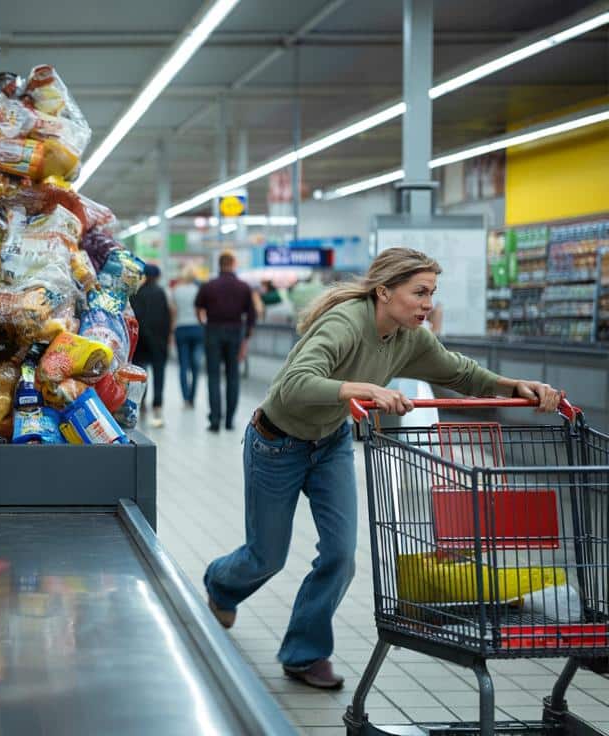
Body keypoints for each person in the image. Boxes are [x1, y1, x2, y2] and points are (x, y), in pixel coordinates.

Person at [202, 247, 561, 691]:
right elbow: (294, 385)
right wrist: (365, 389)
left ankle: (304, 653)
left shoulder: (410, 337)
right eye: (420, 292)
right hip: (277, 443)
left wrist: (514, 386)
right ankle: (220, 584)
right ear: (384, 291)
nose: (428, 303)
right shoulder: (345, 323)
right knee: (267, 556)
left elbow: (459, 372)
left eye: (432, 293)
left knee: (340, 556)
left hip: (330, 444)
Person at [194, 252, 256, 432]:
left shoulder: (209, 286)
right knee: (232, 376)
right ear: (233, 263)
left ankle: (215, 421)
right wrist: (246, 340)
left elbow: (198, 307)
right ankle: (229, 420)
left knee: (213, 376)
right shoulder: (243, 287)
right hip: (235, 332)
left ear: (219, 264)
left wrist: (203, 323)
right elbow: (251, 316)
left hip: (213, 330)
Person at [129, 264, 172, 427]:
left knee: (141, 373)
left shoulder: (137, 293)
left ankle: (142, 402)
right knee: (159, 373)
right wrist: (167, 338)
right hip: (158, 341)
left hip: (141, 341)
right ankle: (157, 404)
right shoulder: (161, 293)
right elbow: (166, 317)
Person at [168, 265, 204, 409]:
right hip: (196, 328)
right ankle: (192, 397)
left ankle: (185, 398)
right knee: (195, 365)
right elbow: (201, 311)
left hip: (181, 329)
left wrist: (171, 332)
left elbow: (173, 312)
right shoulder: (198, 290)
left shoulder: (176, 291)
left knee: (183, 365)